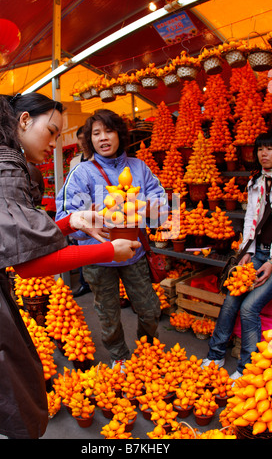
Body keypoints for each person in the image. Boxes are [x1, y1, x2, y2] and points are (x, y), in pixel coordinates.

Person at [0, 94, 140, 439]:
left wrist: (72, 222)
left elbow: (10, 232)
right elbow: (29, 263)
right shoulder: (3, 165)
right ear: (23, 122)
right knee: (13, 391)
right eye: (51, 132)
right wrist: (107, 250)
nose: (54, 143)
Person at [56, 108, 168, 370]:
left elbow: (162, 202)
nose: (103, 138)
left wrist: (149, 207)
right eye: (96, 133)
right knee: (108, 314)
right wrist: (86, 217)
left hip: (134, 253)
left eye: (109, 131)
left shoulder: (139, 167)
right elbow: (64, 214)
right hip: (98, 257)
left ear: (120, 134)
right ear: (89, 139)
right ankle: (119, 356)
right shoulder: (82, 173)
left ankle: (148, 349)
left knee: (150, 310)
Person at [203, 128, 272, 380]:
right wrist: (247, 251)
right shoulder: (256, 180)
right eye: (259, 149)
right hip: (258, 253)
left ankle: (246, 369)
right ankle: (215, 355)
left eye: (269, 148)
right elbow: (250, 220)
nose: (263, 153)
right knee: (231, 297)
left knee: (249, 308)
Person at [69, 126, 92, 297]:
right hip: (80, 208)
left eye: (85, 137)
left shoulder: (97, 159)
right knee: (81, 246)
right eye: (80, 138)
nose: (82, 142)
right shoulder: (74, 162)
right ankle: (85, 282)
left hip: (97, 208)